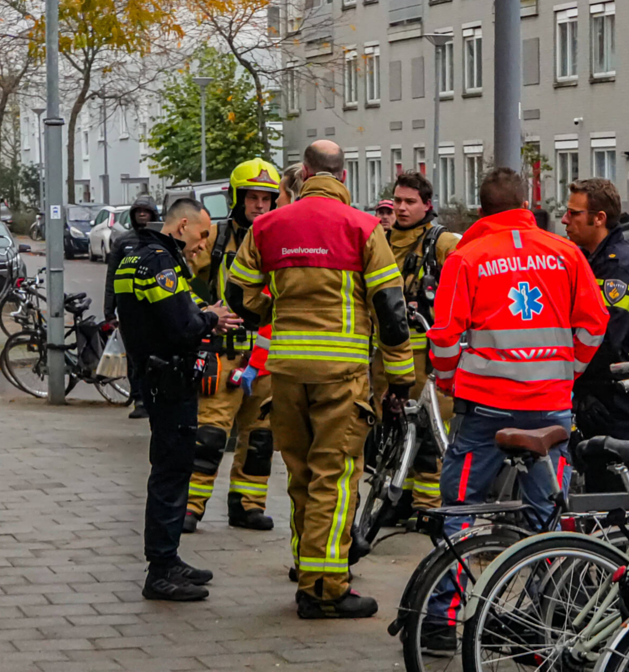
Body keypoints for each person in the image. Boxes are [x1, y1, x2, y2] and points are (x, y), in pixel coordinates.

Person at [424, 168, 609, 652]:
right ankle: (552, 621)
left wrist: (447, 381)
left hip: (485, 409)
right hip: (550, 410)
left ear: (481, 209)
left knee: (461, 508)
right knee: (546, 514)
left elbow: (443, 336)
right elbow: (594, 322)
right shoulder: (566, 253)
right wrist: (569, 370)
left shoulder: (467, 257)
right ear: (526, 204)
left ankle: (442, 621)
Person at [228, 139, 414, 619]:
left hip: (286, 372)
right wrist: (400, 378)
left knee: (301, 476)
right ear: (343, 177)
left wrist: (274, 312)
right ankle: (326, 590)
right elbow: (392, 312)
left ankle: (306, 570)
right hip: (342, 375)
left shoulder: (269, 226)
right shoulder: (364, 228)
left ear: (304, 174)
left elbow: (236, 291)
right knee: (336, 477)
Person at [114, 198, 239, 601]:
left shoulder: (132, 255)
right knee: (171, 473)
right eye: (201, 234)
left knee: (170, 469)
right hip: (170, 377)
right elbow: (182, 325)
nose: (201, 243)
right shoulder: (161, 261)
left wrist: (200, 310)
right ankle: (161, 569)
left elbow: (155, 312)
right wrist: (211, 318)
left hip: (151, 373)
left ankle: (169, 559)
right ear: (182, 225)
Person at [183, 159, 281, 534]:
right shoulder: (216, 240)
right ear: (236, 198)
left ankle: (247, 506)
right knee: (208, 436)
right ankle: (190, 507)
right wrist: (203, 310)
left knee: (260, 438)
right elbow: (182, 282)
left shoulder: (280, 239)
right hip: (223, 355)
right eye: (252, 197)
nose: (259, 205)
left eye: (266, 198)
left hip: (267, 356)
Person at [368, 171, 459, 522]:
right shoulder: (380, 240)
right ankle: (399, 498)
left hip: (427, 358)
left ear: (427, 205)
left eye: (410, 202)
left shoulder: (442, 242)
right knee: (391, 427)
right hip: (387, 354)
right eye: (398, 201)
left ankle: (429, 506)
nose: (402, 208)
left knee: (429, 430)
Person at [561, 178, 629, 441]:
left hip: (615, 398)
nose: (564, 219)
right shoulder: (590, 260)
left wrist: (579, 388)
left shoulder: (619, 268)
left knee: (610, 476)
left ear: (599, 218)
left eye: (573, 213)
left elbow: (604, 339)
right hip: (596, 391)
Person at [104, 195, 159, 419]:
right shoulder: (123, 242)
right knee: (135, 358)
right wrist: (109, 310)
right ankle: (139, 399)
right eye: (139, 212)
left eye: (147, 211)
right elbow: (112, 277)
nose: (142, 215)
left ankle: (156, 397)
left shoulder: (162, 239)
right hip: (130, 311)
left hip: (156, 309)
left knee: (156, 356)